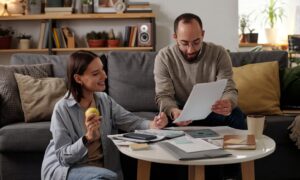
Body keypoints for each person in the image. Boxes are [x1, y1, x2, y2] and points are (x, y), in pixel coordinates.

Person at [41, 50, 168, 180]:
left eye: (102, 70)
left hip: (101, 171)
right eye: (96, 73)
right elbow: (63, 158)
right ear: (78, 78)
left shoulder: (104, 100)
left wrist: (154, 124)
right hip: (68, 170)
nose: (104, 76)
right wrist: (87, 138)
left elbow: (132, 122)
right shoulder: (62, 109)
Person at [154, 13, 246, 129]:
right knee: (161, 121)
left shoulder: (219, 53)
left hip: (211, 110)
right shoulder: (164, 57)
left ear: (202, 34)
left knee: (236, 114)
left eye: (196, 42)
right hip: (179, 111)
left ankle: (240, 146)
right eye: (184, 43)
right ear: (175, 37)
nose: (190, 49)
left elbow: (229, 88)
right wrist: (174, 111)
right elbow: (163, 96)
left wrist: (227, 102)